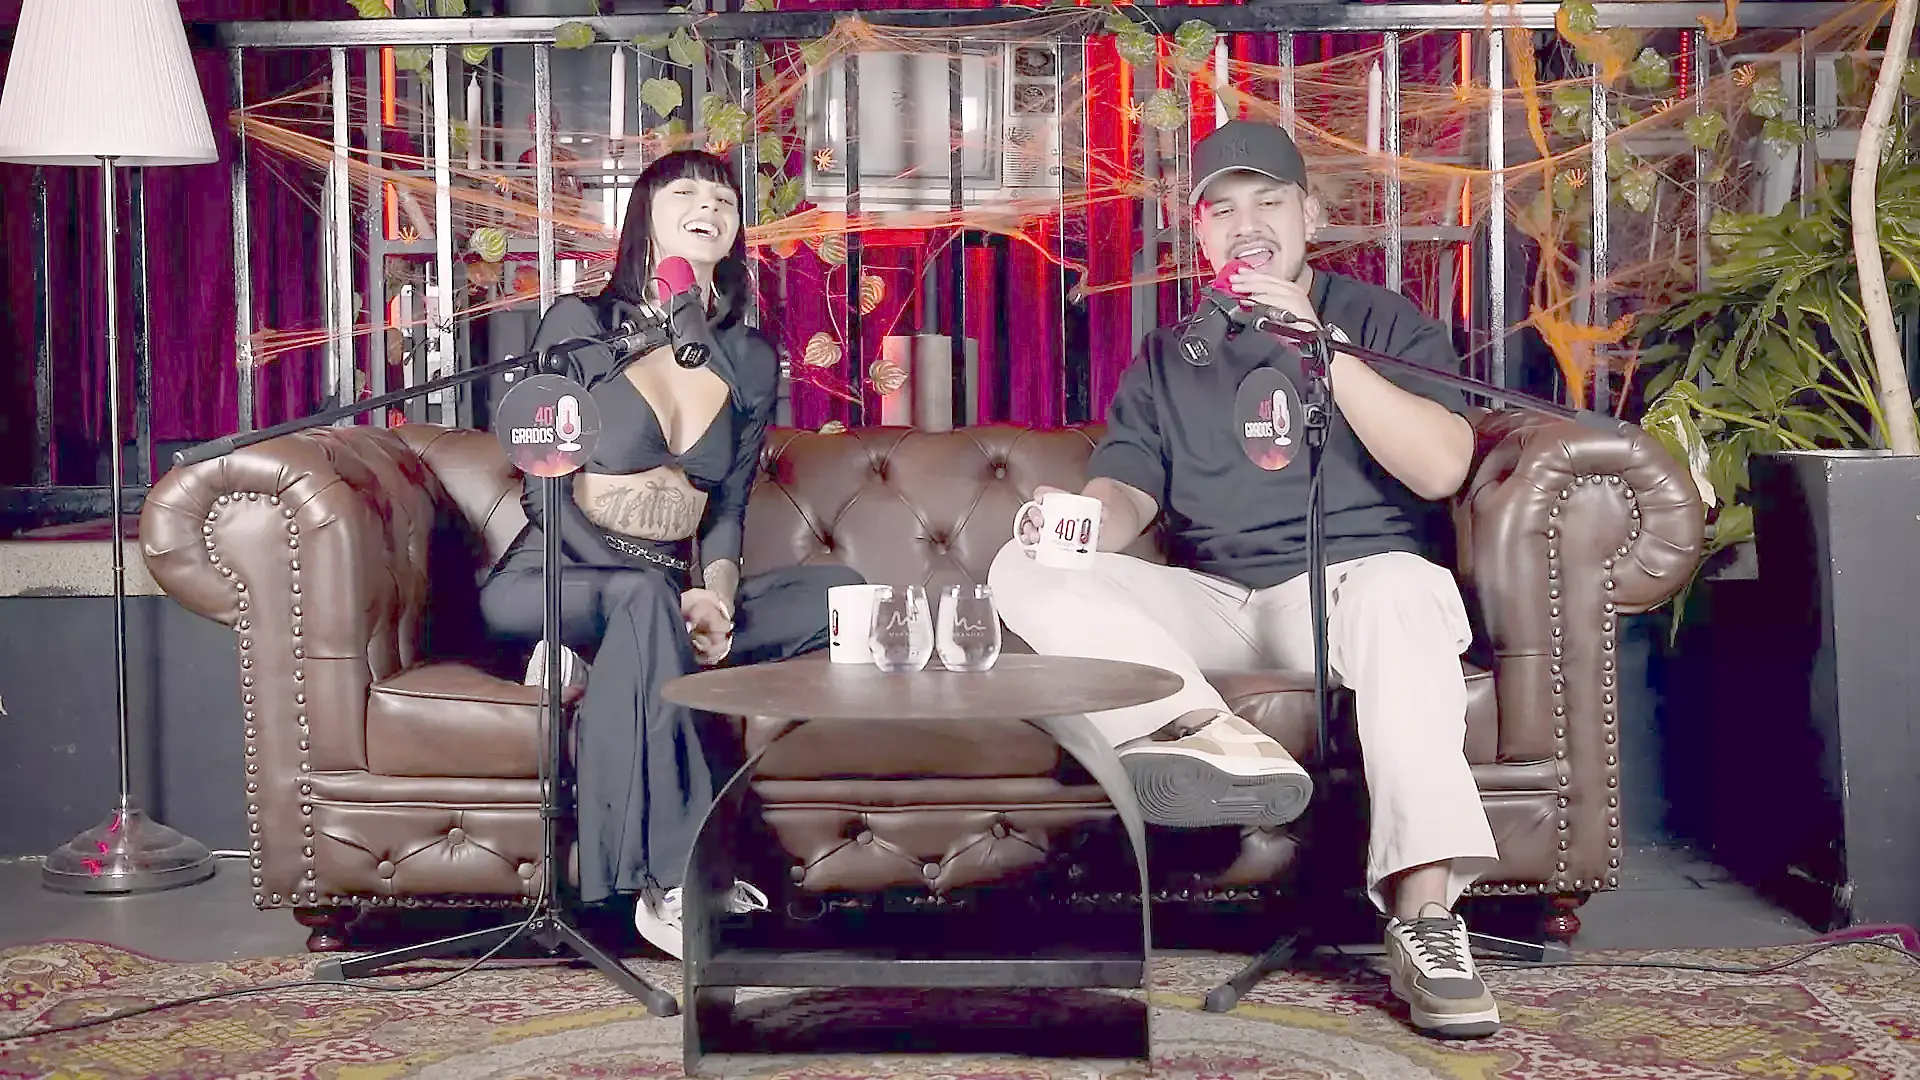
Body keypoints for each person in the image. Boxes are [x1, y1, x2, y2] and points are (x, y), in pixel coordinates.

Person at [989, 120, 1503, 1039]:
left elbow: (1440, 468)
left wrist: (1321, 345)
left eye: (1268, 201)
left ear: (1310, 214)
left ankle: (1426, 917)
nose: (1247, 224)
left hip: (1345, 591)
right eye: (1221, 210)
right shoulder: (1169, 355)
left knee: (1405, 591)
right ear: (1200, 233)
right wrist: (1076, 523)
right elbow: (1127, 493)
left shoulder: (1383, 320)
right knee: (1022, 565)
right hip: (1216, 603)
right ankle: (1214, 736)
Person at [479, 150, 863, 960]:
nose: (708, 207)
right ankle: (678, 878)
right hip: (553, 573)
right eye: (685, 192)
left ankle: (602, 658)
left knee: (840, 593)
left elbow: (727, 509)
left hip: (666, 594)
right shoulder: (580, 325)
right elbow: (545, 496)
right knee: (642, 601)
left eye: (723, 199)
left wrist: (715, 596)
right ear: (644, 216)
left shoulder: (747, 357)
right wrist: (652, 591)